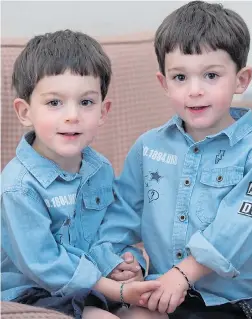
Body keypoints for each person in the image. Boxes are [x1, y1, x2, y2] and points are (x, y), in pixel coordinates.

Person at [89, 1, 252, 318]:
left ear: (241, 80)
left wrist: (182, 274)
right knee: (107, 309)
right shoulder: (148, 147)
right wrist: (126, 263)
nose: (194, 90)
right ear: (164, 83)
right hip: (162, 290)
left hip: (233, 301)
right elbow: (120, 215)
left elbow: (239, 226)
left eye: (211, 75)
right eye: (180, 77)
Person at [0, 29, 162, 319]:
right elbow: (44, 264)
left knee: (150, 315)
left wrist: (128, 262)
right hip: (34, 291)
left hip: (96, 283)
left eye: (86, 102)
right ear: (25, 112)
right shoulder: (18, 187)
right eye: (54, 103)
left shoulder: (99, 169)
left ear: (103, 111)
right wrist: (116, 291)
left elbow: (112, 230)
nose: (72, 115)